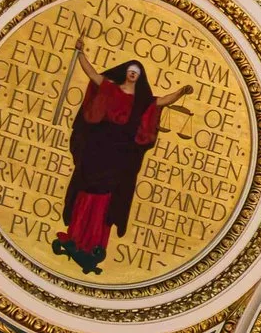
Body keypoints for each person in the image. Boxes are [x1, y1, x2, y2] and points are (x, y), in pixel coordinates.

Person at [54, 41, 192, 275]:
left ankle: (94, 245)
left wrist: (181, 92)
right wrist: (79, 53)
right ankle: (74, 237)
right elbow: (93, 74)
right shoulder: (109, 88)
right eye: (131, 70)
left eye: (137, 72)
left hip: (118, 157)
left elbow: (163, 101)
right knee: (85, 191)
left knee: (106, 199)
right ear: (125, 72)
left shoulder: (142, 102)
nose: (132, 73)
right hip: (97, 150)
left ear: (139, 77)